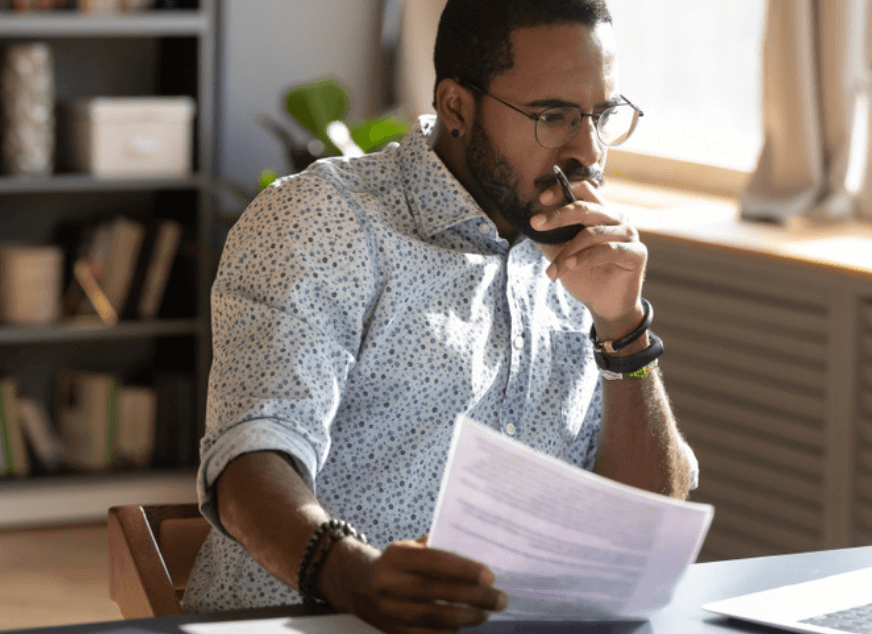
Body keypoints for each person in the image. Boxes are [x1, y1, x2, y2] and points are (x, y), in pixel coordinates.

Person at [181, 0, 698, 631]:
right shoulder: (324, 221)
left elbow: (643, 528)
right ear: (457, 107)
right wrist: (355, 577)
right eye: (553, 116)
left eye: (602, 114)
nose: (587, 149)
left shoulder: (585, 252)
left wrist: (624, 330)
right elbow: (251, 454)